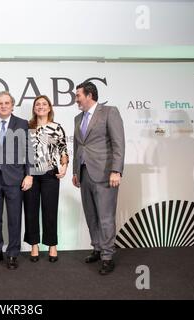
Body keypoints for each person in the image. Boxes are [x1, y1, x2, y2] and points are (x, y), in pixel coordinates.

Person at [72, 81, 125, 275]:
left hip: (105, 173)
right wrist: (75, 172)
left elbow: (119, 144)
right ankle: (97, 247)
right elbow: (78, 147)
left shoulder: (110, 112)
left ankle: (108, 256)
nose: (76, 99)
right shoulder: (78, 118)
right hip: (85, 174)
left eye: (78, 95)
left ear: (89, 95)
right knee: (91, 215)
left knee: (105, 217)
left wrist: (116, 170)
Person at [0, 91, 33, 270]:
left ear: (12, 105)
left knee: (14, 218)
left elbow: (29, 151)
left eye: (7, 103)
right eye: (0, 103)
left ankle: (12, 254)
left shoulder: (22, 124)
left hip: (15, 178)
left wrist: (29, 174)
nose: (3, 106)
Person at [24, 95, 68, 263]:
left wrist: (64, 166)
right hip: (30, 174)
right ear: (34, 109)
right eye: (38, 104)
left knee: (50, 210)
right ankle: (34, 245)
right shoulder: (27, 128)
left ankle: (52, 245)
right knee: (31, 210)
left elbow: (63, 149)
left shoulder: (56, 128)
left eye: (44, 104)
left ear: (49, 108)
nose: (41, 106)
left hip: (50, 173)